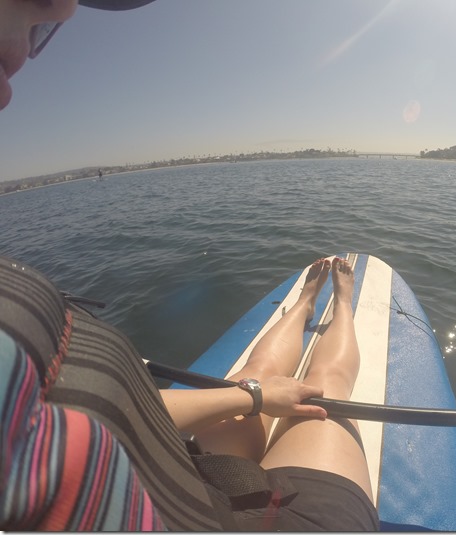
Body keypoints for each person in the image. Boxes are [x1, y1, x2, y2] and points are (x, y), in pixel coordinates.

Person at [0, 1, 378, 530]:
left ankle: (305, 304)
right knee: (330, 386)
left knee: (253, 377)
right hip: (268, 517)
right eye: (33, 14)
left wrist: (254, 398)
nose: (54, 21)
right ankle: (339, 300)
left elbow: (78, 421)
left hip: (183, 472)